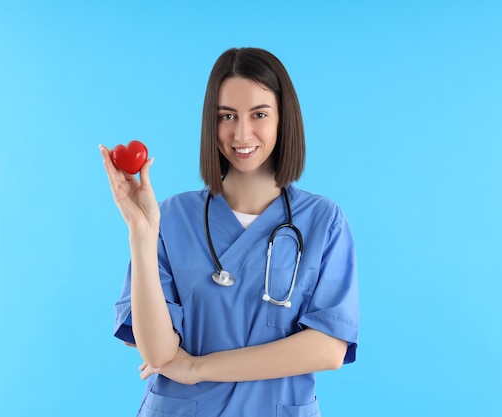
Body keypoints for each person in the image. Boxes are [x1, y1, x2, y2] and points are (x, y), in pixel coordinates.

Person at [100, 47, 359, 417]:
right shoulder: (172, 217)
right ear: (212, 123)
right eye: (227, 116)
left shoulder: (323, 221)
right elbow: (157, 352)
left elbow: (328, 348)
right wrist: (141, 232)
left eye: (259, 114)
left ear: (283, 120)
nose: (241, 133)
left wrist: (196, 368)